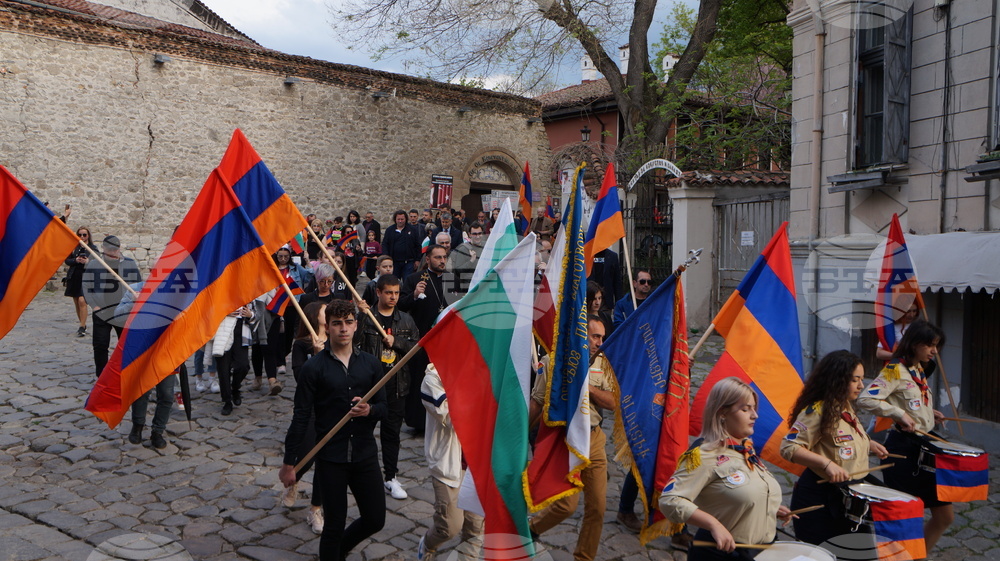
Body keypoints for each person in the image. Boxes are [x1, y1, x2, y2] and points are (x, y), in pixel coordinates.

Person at [280, 300, 387, 561]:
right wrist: (289, 463)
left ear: (356, 325)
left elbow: (385, 408)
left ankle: (338, 552)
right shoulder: (313, 368)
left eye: (348, 322)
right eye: (337, 323)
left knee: (375, 518)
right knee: (334, 525)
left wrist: (369, 410)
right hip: (331, 457)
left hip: (364, 454)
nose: (343, 328)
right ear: (327, 327)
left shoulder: (371, 364)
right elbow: (301, 417)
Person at [659, 377, 795, 561]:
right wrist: (713, 524)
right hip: (722, 553)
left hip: (760, 551)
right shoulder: (704, 455)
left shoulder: (745, 448)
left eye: (754, 408)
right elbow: (670, 500)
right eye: (745, 409)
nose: (755, 415)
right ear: (722, 412)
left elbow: (736, 492)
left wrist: (767, 504)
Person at [857, 320, 953, 551]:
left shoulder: (917, 368)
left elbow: (911, 401)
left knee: (945, 516)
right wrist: (898, 414)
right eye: (929, 345)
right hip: (903, 450)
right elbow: (866, 399)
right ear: (914, 343)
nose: (934, 351)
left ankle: (917, 555)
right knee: (905, 518)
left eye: (936, 345)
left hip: (925, 445)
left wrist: (929, 413)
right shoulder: (894, 370)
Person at [527, 316, 616, 561]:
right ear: (581, 335)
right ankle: (531, 529)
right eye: (595, 336)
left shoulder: (603, 363)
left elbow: (612, 402)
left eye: (602, 337)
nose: (600, 343)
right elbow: (537, 402)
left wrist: (588, 387)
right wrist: (519, 436)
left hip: (594, 438)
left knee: (597, 508)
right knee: (566, 505)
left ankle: (584, 557)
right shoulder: (552, 362)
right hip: (564, 441)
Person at [781, 350, 889, 548]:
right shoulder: (817, 411)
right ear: (837, 380)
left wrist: (867, 444)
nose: (861, 385)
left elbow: (842, 443)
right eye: (855, 380)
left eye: (861, 379)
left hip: (852, 498)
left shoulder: (845, 407)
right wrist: (826, 464)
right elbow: (789, 447)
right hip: (821, 500)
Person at [354, 274, 418, 500]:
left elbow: (416, 348)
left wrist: (397, 342)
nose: (393, 297)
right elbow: (353, 345)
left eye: (396, 293)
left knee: (391, 434)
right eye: (388, 292)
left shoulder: (406, 320)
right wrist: (361, 317)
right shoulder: (367, 317)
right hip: (370, 385)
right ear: (378, 292)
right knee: (363, 433)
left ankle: (391, 477)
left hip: (397, 385)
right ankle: (361, 473)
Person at [418, 362, 484, 561]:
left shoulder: (482, 371)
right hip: (449, 465)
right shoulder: (432, 378)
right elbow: (450, 416)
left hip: (478, 465)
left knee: (475, 528)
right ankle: (428, 544)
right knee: (449, 527)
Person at [285, 302, 328, 532]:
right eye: (324, 310)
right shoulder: (301, 345)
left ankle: (315, 509)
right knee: (307, 454)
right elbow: (300, 377)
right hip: (309, 407)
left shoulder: (336, 340)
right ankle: (294, 480)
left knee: (324, 461)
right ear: (313, 316)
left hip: (330, 407)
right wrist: (317, 356)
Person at [116, 281, 175, 449]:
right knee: (141, 391)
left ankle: (158, 431)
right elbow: (118, 315)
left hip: (166, 351)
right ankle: (138, 426)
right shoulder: (135, 289)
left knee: (166, 394)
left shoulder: (176, 290)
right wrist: (134, 303)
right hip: (142, 350)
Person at [399, 245, 449, 433]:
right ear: (427, 259)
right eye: (438, 257)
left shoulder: (452, 279)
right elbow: (401, 305)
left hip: (446, 341)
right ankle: (419, 422)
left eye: (444, 257)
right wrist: (413, 295)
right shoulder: (414, 279)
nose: (442, 261)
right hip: (422, 339)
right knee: (421, 379)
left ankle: (445, 418)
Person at [83, 235, 141, 378]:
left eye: (115, 250)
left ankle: (126, 375)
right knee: (100, 345)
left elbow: (139, 284)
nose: (112, 252)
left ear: (119, 249)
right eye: (109, 249)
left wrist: (135, 299)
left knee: (126, 345)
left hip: (123, 310)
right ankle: (102, 377)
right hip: (102, 310)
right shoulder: (94, 264)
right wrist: (94, 305)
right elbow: (86, 285)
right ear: (103, 248)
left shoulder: (129, 264)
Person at [206, 303, 254, 416]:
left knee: (243, 365)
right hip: (222, 331)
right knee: (223, 369)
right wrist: (224, 312)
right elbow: (209, 310)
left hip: (241, 332)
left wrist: (250, 314)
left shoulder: (247, 295)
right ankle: (227, 401)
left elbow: (256, 313)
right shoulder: (219, 293)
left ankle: (235, 388)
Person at [64, 227, 98, 337]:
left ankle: (82, 327)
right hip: (75, 276)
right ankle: (82, 324)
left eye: (84, 235)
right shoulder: (74, 247)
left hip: (87, 277)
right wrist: (76, 260)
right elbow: (67, 260)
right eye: (80, 235)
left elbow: (98, 261)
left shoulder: (93, 248)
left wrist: (87, 261)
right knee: (76, 302)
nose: (82, 237)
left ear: (88, 236)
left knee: (82, 300)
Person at [448, 222, 486, 295]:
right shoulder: (463, 249)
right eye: (474, 234)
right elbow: (458, 270)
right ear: (469, 234)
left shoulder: (487, 246)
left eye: (479, 233)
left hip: (484, 285)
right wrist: (471, 261)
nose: (477, 236)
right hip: (469, 287)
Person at [384, 210, 420, 280]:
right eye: (398, 219)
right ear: (395, 219)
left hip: (408, 262)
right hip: (394, 262)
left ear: (406, 219)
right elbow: (385, 244)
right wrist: (386, 258)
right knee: (393, 281)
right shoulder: (389, 230)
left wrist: (417, 260)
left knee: (407, 282)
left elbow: (418, 245)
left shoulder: (413, 230)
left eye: (402, 219)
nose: (400, 221)